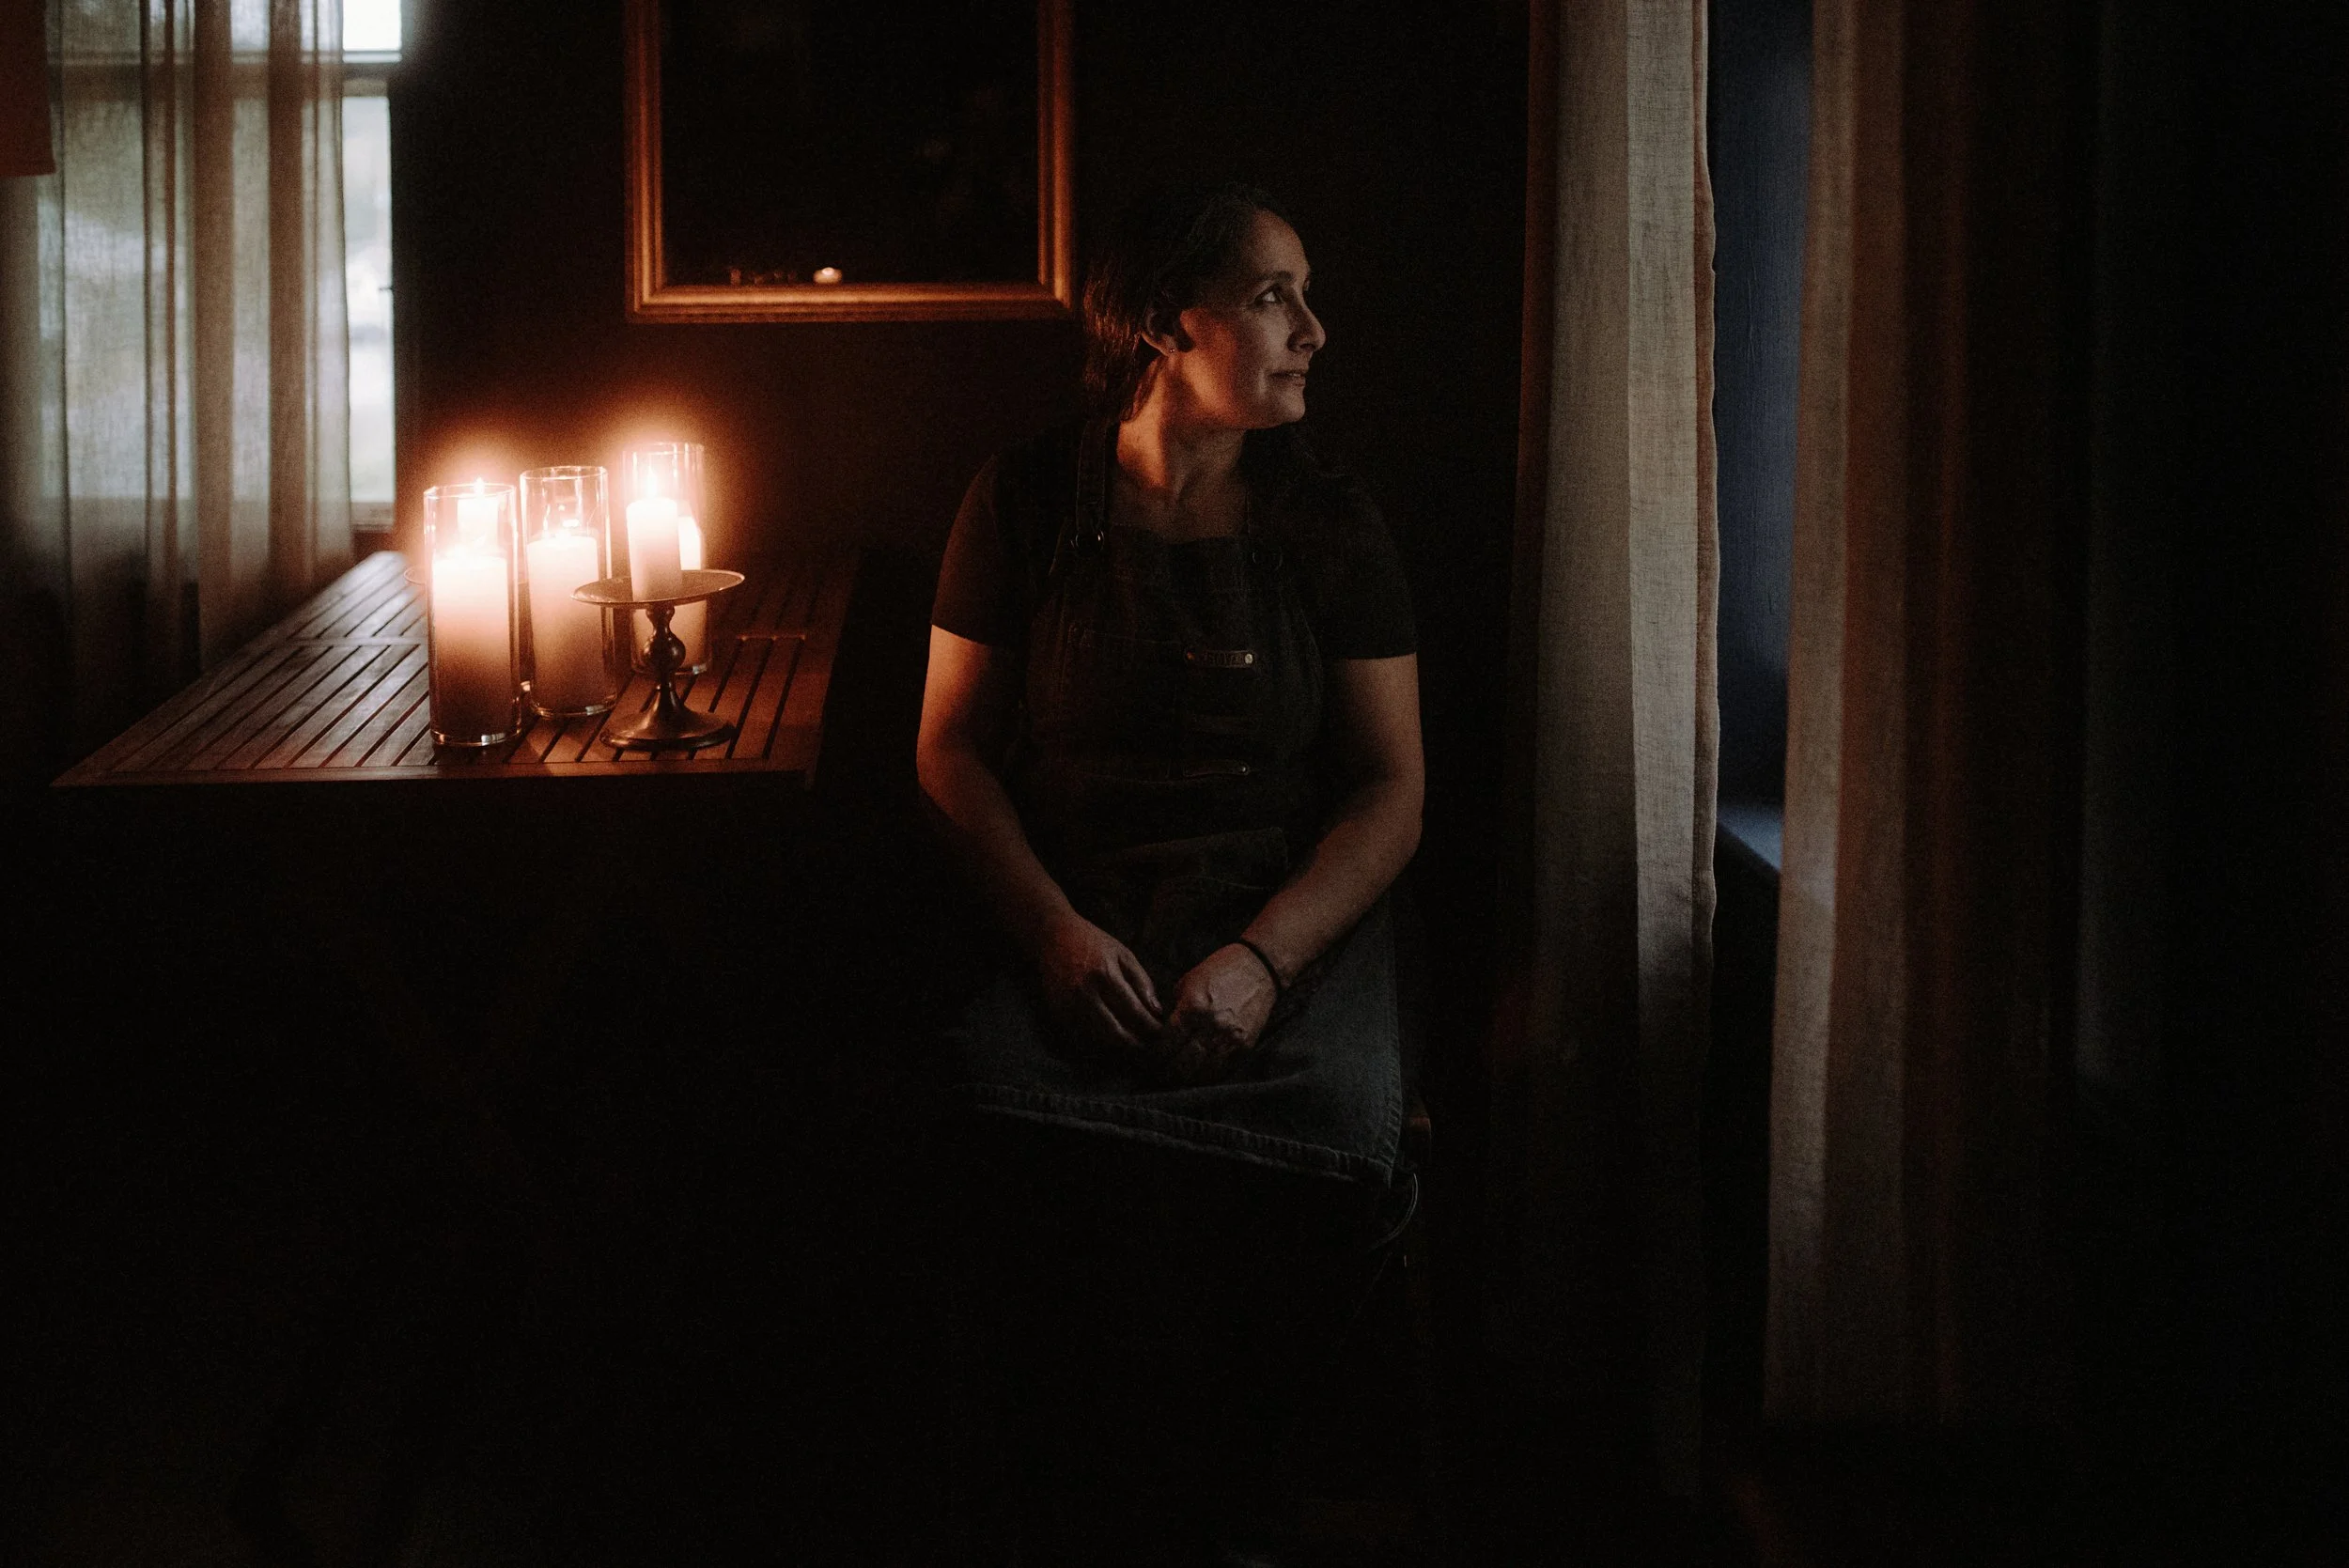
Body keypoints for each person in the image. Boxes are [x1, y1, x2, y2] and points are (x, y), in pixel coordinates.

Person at [916, 182, 1423, 1559]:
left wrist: (1264, 960)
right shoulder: (1027, 498)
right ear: (1159, 324)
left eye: (1306, 294)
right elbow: (949, 753)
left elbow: (1393, 789)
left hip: (1280, 919)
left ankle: (1235, 1514)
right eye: (1270, 297)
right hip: (1078, 910)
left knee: (1327, 1143)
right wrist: (1051, 937)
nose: (1313, 330)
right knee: (993, 1117)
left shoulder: (1328, 521)